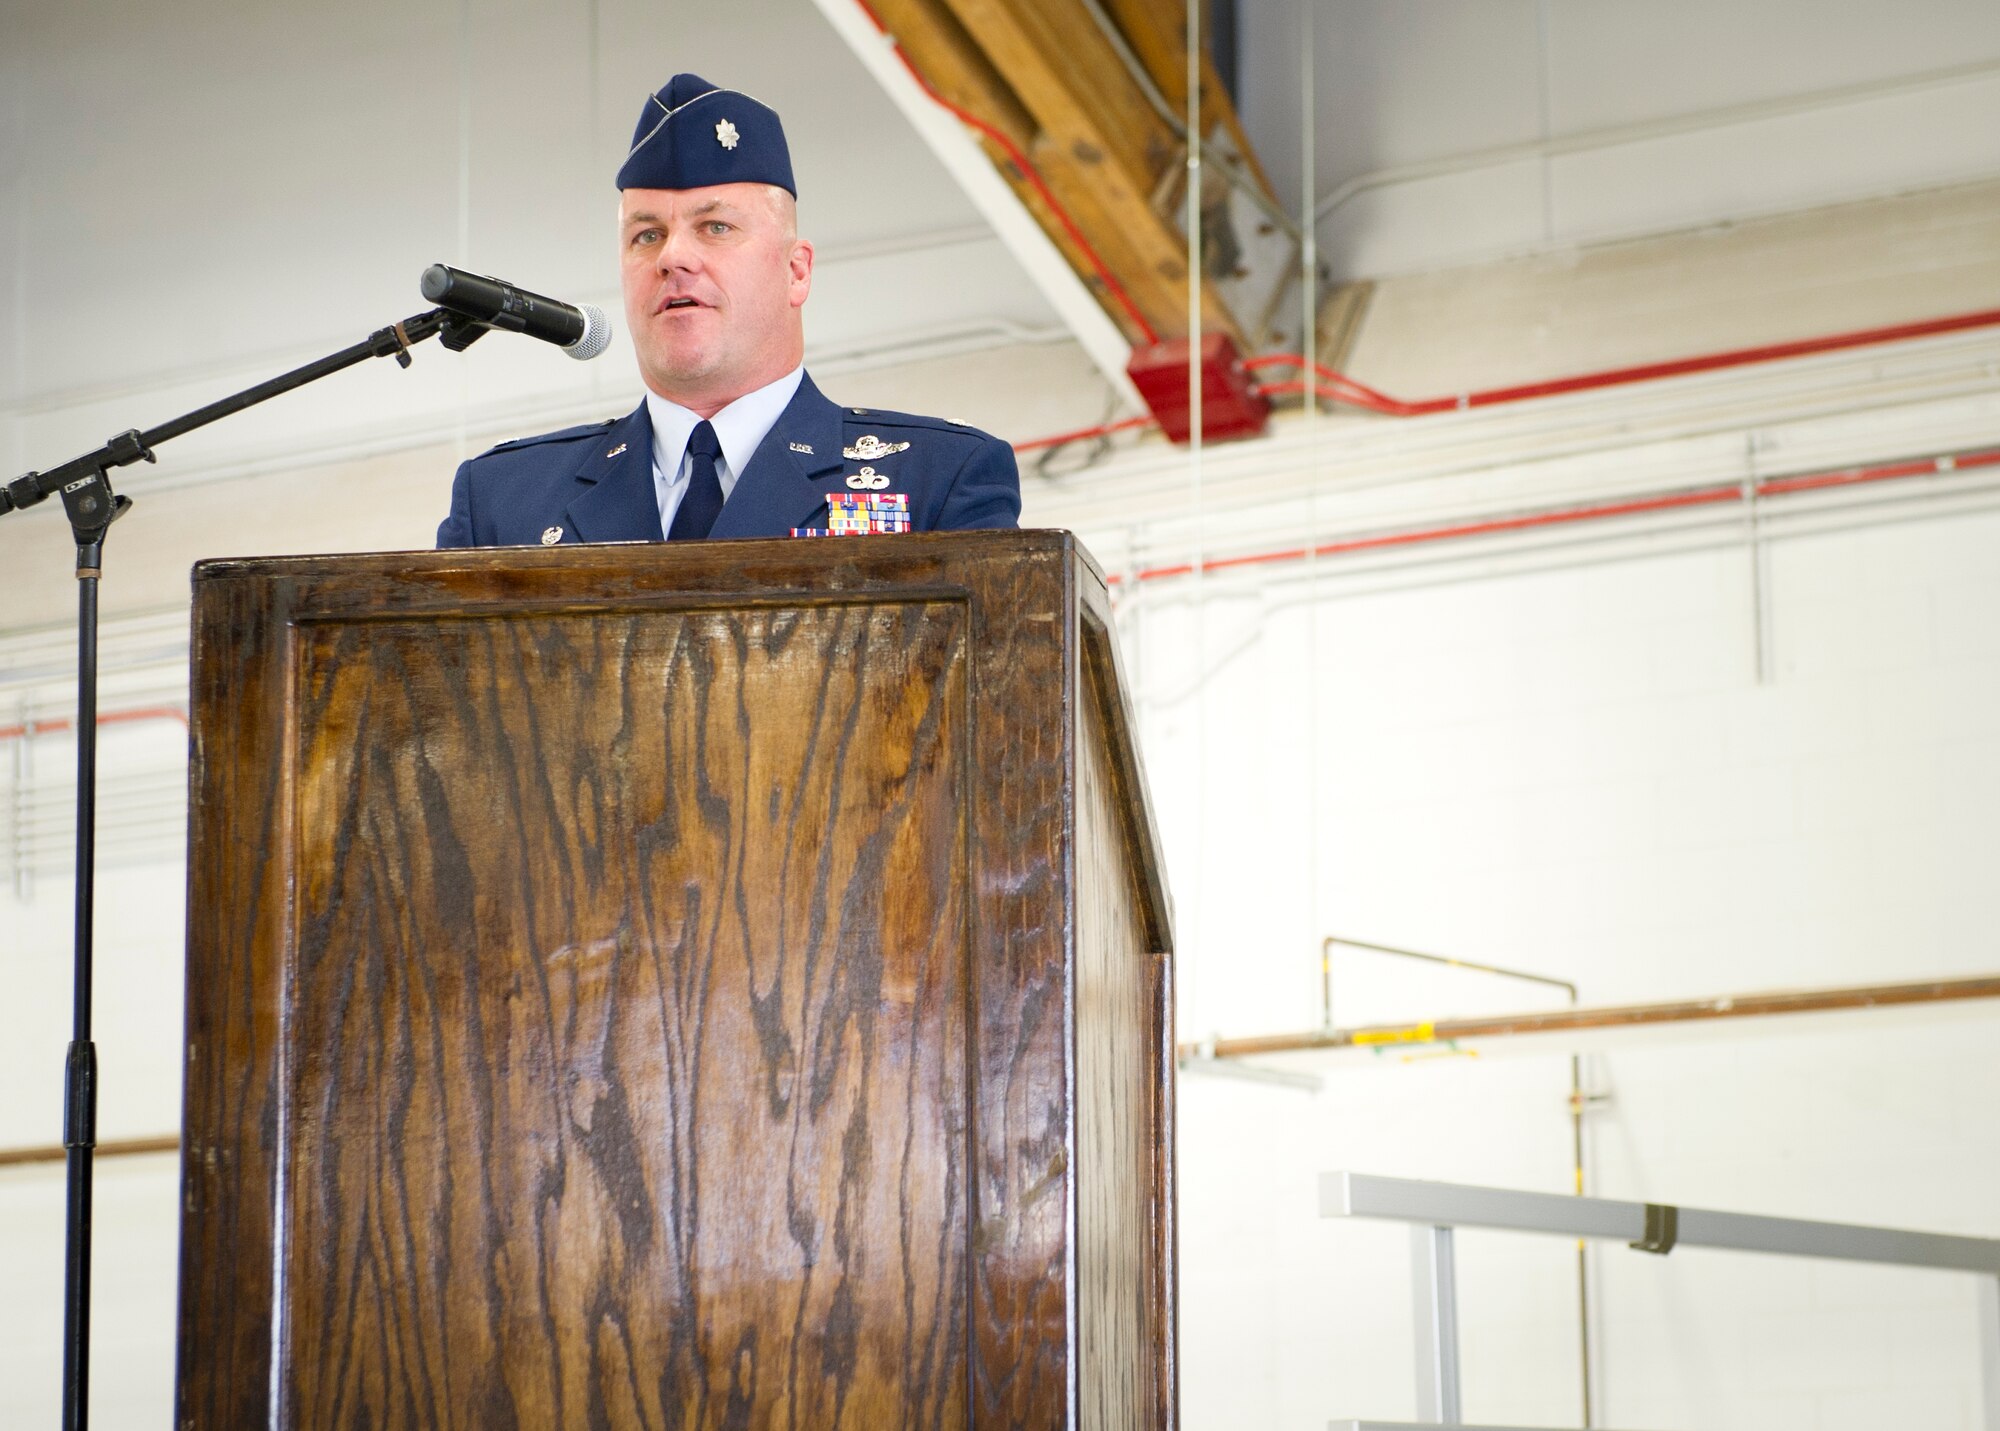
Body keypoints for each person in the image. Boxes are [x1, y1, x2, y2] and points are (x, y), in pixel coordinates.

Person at [436, 73, 1021, 548]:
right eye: (646, 235)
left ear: (797, 272)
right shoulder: (502, 502)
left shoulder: (939, 480)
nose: (672, 257)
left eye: (715, 227)